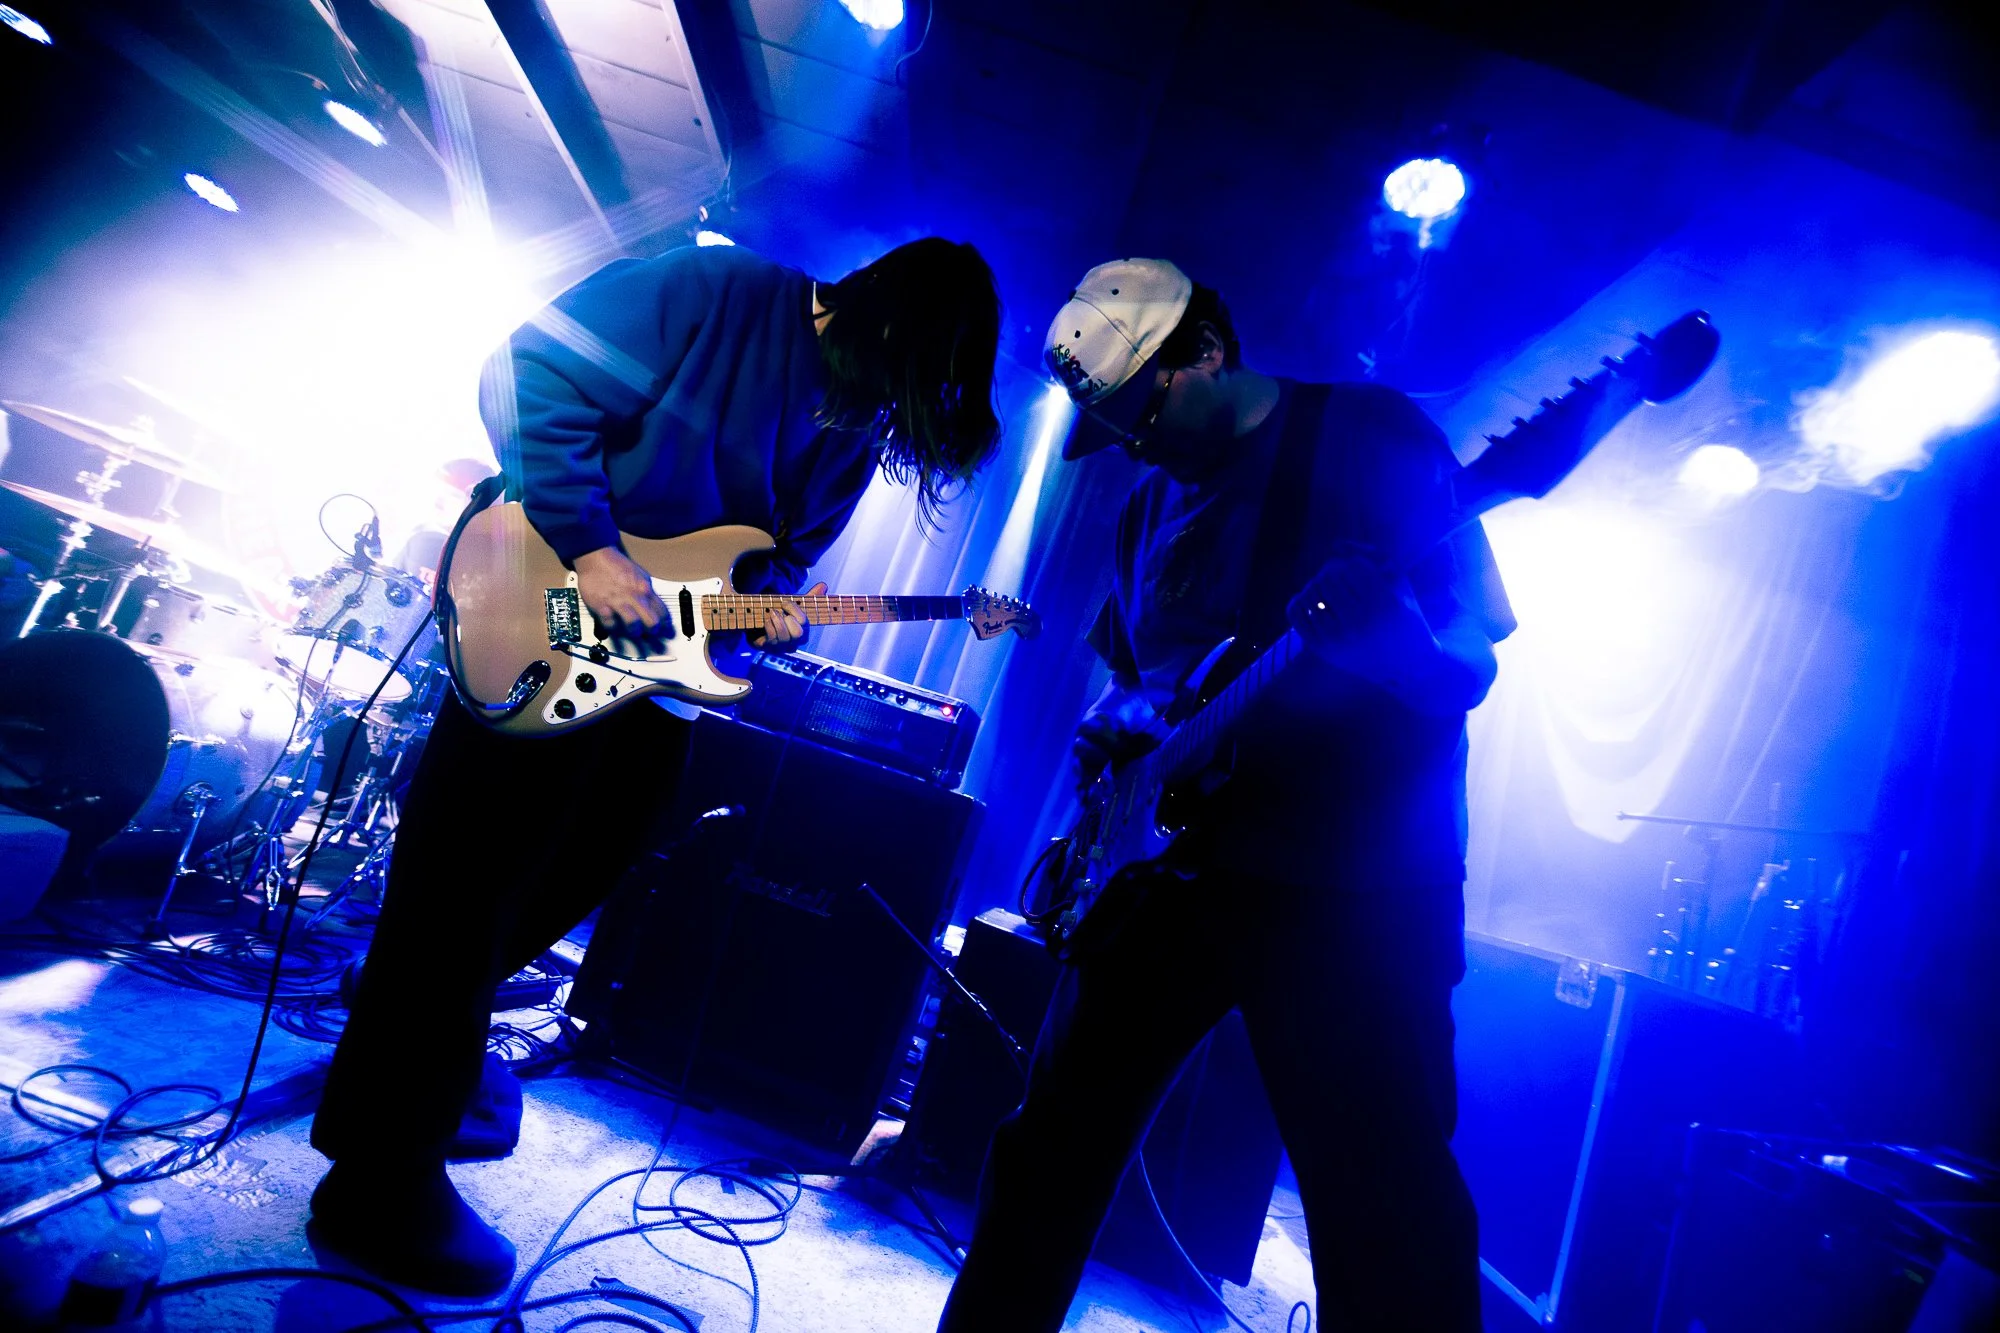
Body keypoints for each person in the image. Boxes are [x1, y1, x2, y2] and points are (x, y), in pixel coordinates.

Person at [308, 237, 1004, 1296]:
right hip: (535, 585)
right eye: (896, 382)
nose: (879, 415)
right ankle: (374, 1176)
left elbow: (782, 552)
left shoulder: (858, 418)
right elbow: (526, 369)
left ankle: (431, 1039)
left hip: (648, 666)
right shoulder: (708, 291)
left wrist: (776, 600)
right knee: (469, 869)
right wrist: (591, 545)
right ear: (879, 321)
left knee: (600, 850)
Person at [937, 259, 1513, 1332]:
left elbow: (1471, 657)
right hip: (1170, 871)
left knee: (1383, 1211)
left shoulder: (1368, 438)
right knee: (1044, 1154)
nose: (1138, 445)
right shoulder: (1147, 499)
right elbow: (1133, 682)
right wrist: (1106, 777)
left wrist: (1399, 662)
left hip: (1356, 887)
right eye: (1112, 429)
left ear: (1202, 352)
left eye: (1141, 412)